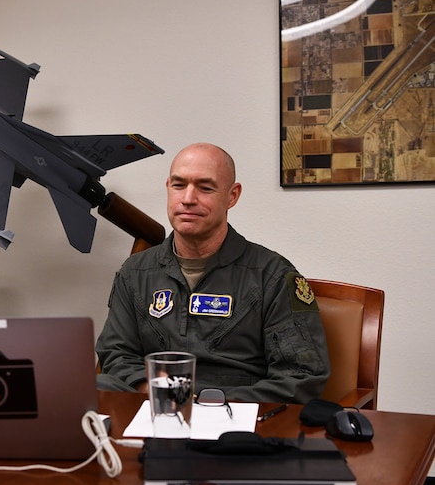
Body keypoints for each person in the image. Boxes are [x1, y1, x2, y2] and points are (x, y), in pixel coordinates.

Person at [95, 143, 330, 404]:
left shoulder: (272, 276)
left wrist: (203, 402)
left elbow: (301, 377)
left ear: (232, 195)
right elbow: (116, 354)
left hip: (237, 417)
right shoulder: (135, 272)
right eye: (179, 185)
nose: (188, 198)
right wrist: (150, 389)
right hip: (155, 408)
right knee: (84, 387)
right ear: (168, 188)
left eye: (205, 188)